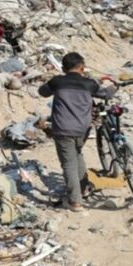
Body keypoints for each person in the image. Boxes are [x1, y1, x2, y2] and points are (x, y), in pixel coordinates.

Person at [38, 52, 116, 211]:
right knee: (77, 153)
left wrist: (51, 83)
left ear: (63, 68)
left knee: (69, 164)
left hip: (62, 129)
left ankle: (75, 202)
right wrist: (115, 85)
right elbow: (106, 94)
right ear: (82, 67)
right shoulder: (89, 84)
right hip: (83, 129)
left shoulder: (57, 81)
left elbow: (42, 92)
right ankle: (83, 188)